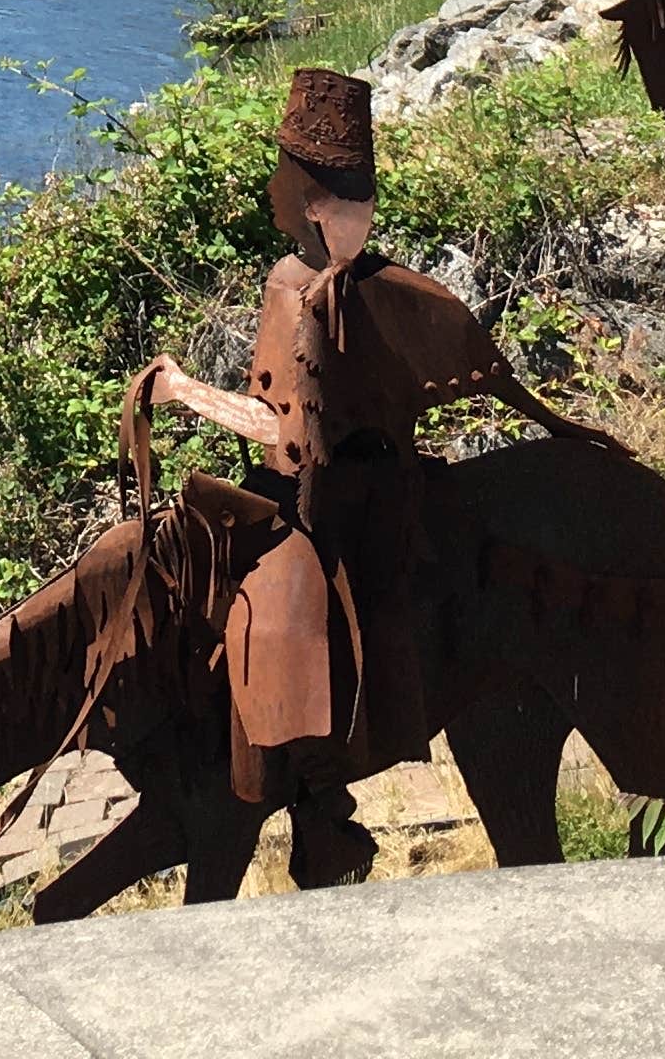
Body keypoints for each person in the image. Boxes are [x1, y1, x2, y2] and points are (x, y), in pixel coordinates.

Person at [128, 65, 603, 877]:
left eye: (286, 183)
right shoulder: (388, 287)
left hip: (323, 511)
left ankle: (309, 793)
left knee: (261, 619)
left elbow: (284, 433)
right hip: (392, 496)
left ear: (310, 203)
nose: (276, 195)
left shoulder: (295, 288)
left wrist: (181, 391)